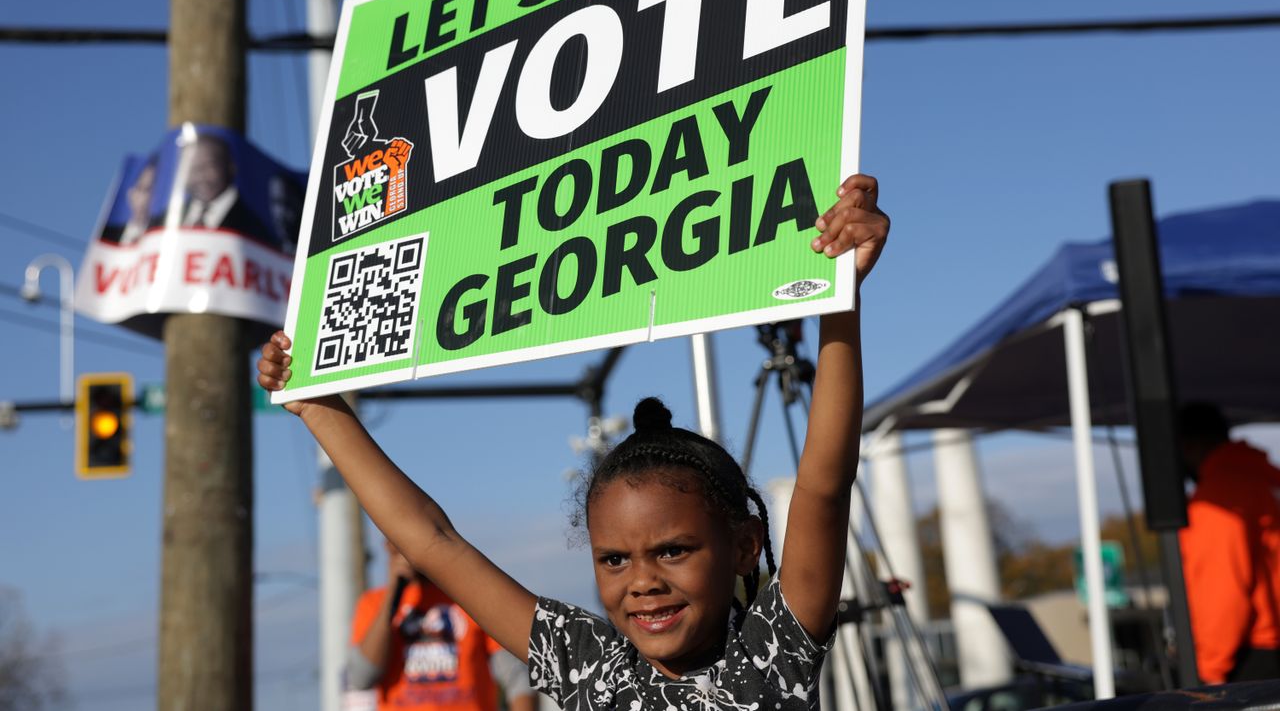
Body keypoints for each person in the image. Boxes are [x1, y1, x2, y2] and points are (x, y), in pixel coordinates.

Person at [258, 173, 889, 711]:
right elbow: (433, 541)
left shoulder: (773, 650)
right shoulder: (587, 664)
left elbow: (822, 487)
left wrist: (841, 295)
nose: (641, 582)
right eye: (614, 559)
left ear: (747, 546)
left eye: (672, 550)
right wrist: (315, 407)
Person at [348, 540, 536, 711]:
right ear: (388, 547)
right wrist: (392, 599)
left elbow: (517, 679)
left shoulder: (468, 597)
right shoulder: (372, 604)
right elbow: (361, 678)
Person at [1177, 402, 1280, 683]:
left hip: (1257, 659)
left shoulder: (1216, 500)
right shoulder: (1267, 479)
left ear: (1189, 446)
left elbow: (1222, 592)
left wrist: (1208, 674)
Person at [180, 134, 273, 244]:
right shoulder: (163, 222)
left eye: (209, 165)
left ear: (231, 167)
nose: (200, 175)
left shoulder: (256, 230)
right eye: (192, 167)